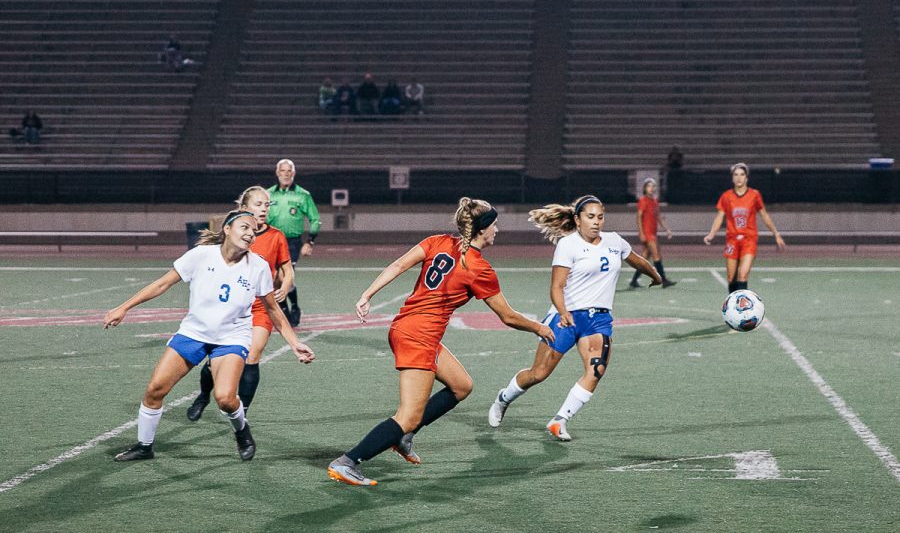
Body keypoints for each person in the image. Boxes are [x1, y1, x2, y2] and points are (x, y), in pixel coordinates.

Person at [327, 197, 555, 486]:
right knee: (408, 415)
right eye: (494, 224)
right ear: (483, 229)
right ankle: (348, 462)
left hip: (411, 329)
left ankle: (404, 437)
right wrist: (540, 328)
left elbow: (398, 265)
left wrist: (367, 294)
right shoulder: (478, 268)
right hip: (418, 336)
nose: (497, 229)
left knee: (461, 386)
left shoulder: (437, 242)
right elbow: (507, 316)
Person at [104, 210, 315, 462]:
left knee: (225, 399)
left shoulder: (258, 266)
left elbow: (272, 309)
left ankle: (242, 431)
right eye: (244, 227)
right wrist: (124, 307)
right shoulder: (201, 256)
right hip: (194, 333)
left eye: (253, 231)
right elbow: (163, 283)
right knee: (155, 390)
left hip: (232, 337)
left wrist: (294, 343)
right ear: (227, 229)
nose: (250, 233)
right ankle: (144, 446)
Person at [487, 195, 662, 442]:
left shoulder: (614, 241)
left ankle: (559, 420)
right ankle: (503, 398)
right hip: (565, 316)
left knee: (596, 369)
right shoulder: (568, 245)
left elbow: (636, 260)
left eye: (600, 216)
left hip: (598, 319)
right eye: (590, 217)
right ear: (578, 220)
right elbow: (556, 287)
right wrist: (562, 311)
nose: (596, 222)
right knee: (539, 373)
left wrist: (655, 275)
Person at [185, 186, 295, 422]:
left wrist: (285, 285)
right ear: (244, 208)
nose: (264, 209)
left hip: (260, 306)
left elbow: (287, 269)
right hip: (232, 305)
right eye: (258, 204)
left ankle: (241, 414)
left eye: (267, 205)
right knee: (214, 362)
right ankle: (204, 395)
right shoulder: (235, 232)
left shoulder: (276, 236)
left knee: (253, 355)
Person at [703, 163, 786, 293]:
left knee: (743, 274)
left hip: (749, 239)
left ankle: (742, 310)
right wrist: (711, 234)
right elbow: (719, 217)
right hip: (732, 240)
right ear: (732, 178)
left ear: (747, 177)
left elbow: (764, 215)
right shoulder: (726, 196)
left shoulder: (754, 195)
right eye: (736, 175)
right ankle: (733, 307)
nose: (739, 178)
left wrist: (776, 233)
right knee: (731, 278)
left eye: (742, 174)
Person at [267, 159, 321, 326]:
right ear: (277, 173)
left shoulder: (303, 195)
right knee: (274, 279)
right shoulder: (268, 194)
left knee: (284, 276)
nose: (286, 174)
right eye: (282, 171)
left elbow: (315, 219)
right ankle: (284, 310)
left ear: (293, 173)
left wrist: (310, 241)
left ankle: (295, 307)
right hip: (272, 240)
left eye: (289, 171)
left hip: (292, 242)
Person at [630, 178, 676, 289]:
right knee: (656, 255)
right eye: (649, 186)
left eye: (653, 186)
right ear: (645, 188)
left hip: (653, 233)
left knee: (644, 258)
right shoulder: (643, 200)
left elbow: (658, 217)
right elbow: (639, 217)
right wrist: (641, 233)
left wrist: (667, 229)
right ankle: (664, 280)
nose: (651, 188)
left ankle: (634, 281)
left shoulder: (655, 201)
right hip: (647, 233)